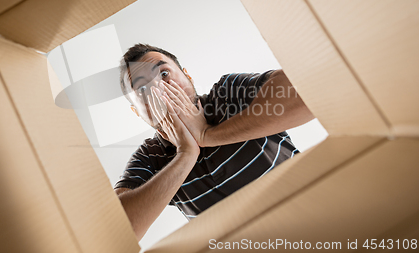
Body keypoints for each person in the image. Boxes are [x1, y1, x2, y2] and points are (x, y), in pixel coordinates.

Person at [114, 44, 314, 241]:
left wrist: (207, 135)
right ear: (137, 112)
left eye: (164, 74)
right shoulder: (149, 156)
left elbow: (307, 93)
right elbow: (116, 233)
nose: (160, 89)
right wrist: (186, 153)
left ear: (188, 77)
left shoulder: (228, 93)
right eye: (142, 88)